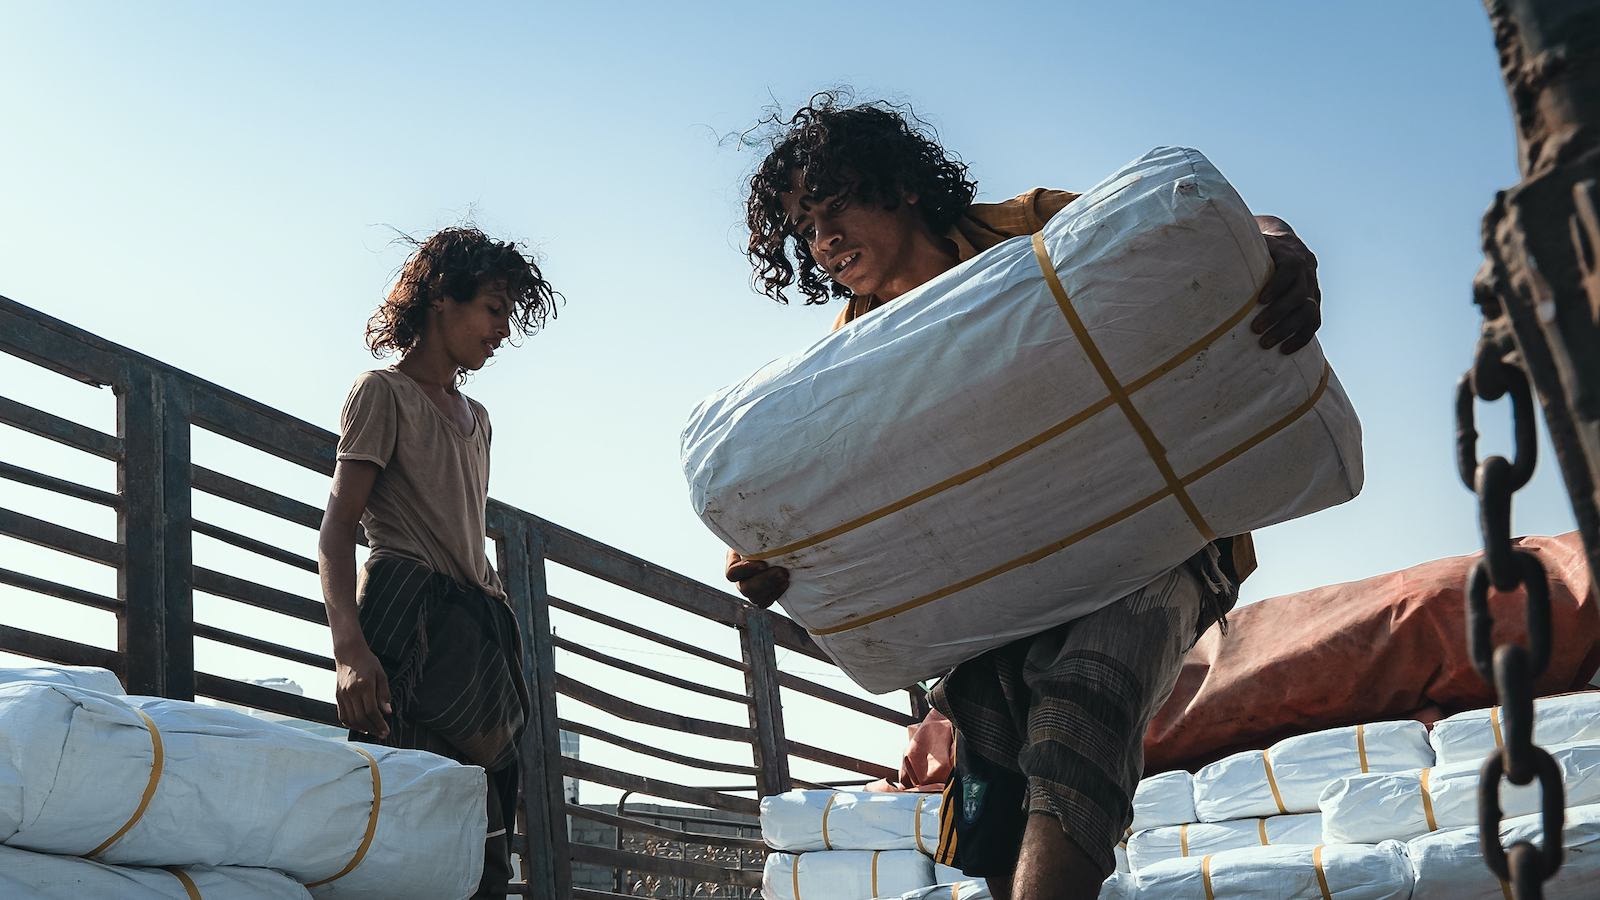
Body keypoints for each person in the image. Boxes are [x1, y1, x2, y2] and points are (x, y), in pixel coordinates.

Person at [726, 93, 1322, 900]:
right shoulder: (847, 365)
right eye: (804, 228)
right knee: (998, 776)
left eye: (833, 208)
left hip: (1150, 544)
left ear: (899, 184)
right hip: (998, 597)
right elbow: (817, 502)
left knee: (1084, 702)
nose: (823, 242)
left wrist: (1278, 248)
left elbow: (1209, 229)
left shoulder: (1028, 233)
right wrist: (767, 553)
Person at [317, 226, 558, 900]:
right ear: (440, 300)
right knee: (406, 825)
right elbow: (337, 533)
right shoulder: (381, 394)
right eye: (492, 308)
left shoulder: (477, 417)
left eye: (509, 313)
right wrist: (349, 651)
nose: (501, 330)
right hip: (407, 618)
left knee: (482, 837)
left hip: (478, 626)